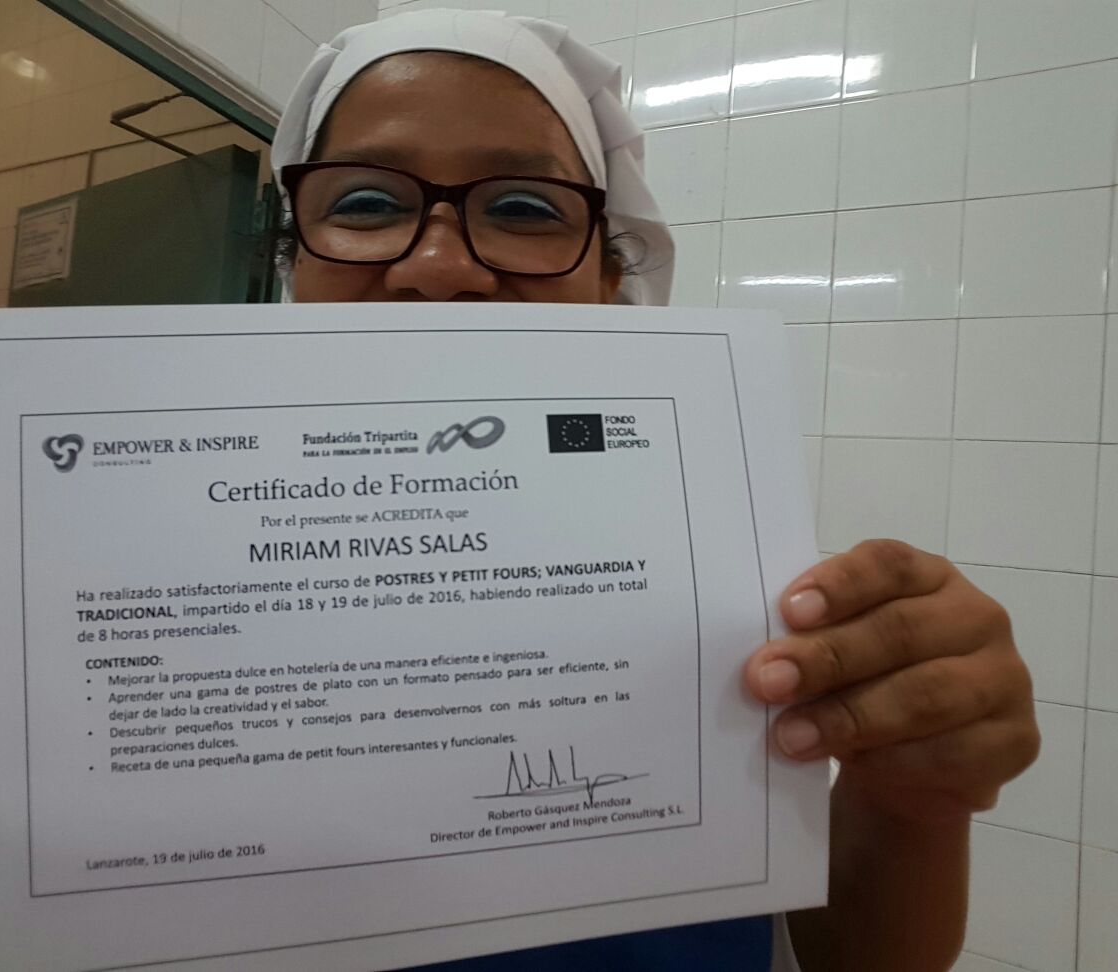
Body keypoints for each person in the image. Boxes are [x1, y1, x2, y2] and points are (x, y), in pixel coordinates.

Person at [266, 9, 1041, 971]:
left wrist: (913, 801)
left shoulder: (736, 586)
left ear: (610, 280)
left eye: (523, 209)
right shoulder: (124, 579)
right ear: (293, 263)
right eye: (366, 202)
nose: (439, 266)